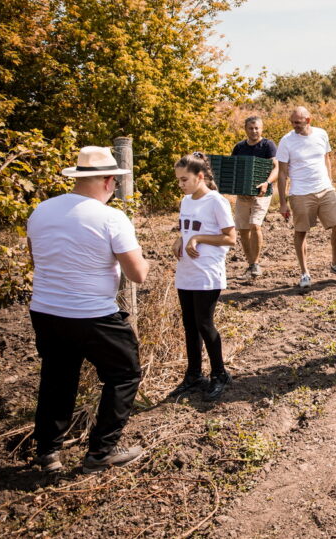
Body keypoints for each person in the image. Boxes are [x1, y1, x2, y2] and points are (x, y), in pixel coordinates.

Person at [27, 146, 150, 473]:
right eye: (115, 182)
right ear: (109, 181)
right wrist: (144, 260)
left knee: (57, 376)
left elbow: (36, 259)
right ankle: (101, 451)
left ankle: (48, 451)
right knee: (124, 374)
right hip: (92, 314)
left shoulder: (41, 210)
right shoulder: (111, 217)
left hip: (46, 310)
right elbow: (137, 274)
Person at [171, 153, 237, 400]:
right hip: (187, 270)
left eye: (184, 179)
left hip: (207, 271)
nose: (181, 185)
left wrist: (198, 238)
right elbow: (187, 229)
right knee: (190, 325)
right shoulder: (186, 200)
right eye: (178, 180)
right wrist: (181, 239)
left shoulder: (216, 201)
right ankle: (194, 375)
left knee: (204, 324)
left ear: (200, 176)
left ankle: (219, 374)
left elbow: (230, 238)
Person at [277, 106, 336, 287]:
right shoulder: (286, 141)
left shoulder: (321, 134)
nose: (294, 125)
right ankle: (305, 273)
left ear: (308, 120)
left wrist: (330, 182)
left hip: (325, 189)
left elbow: (326, 159)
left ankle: (335, 263)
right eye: (292, 122)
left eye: (297, 122)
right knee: (301, 231)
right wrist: (283, 202)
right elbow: (282, 173)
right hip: (300, 192)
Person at [231, 115, 278, 280]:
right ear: (245, 129)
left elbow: (276, 167)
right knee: (243, 230)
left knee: (255, 225)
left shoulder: (268, 145)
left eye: (257, 128)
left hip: (261, 194)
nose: (254, 131)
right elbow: (234, 169)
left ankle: (256, 264)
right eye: (251, 128)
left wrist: (267, 183)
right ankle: (250, 265)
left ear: (261, 129)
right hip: (243, 195)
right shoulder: (239, 147)